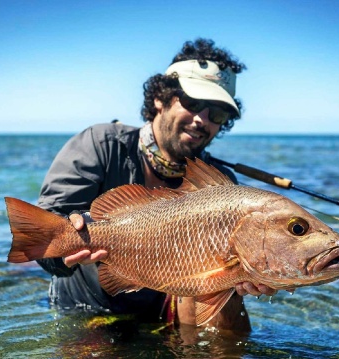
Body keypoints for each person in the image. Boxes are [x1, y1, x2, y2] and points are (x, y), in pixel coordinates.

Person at [36, 38, 276, 332]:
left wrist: (248, 278)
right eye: (192, 102)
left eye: (217, 113)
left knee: (230, 315)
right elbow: (41, 237)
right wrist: (66, 246)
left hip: (165, 309)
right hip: (88, 307)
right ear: (160, 98)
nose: (202, 119)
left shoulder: (221, 185)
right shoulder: (100, 145)